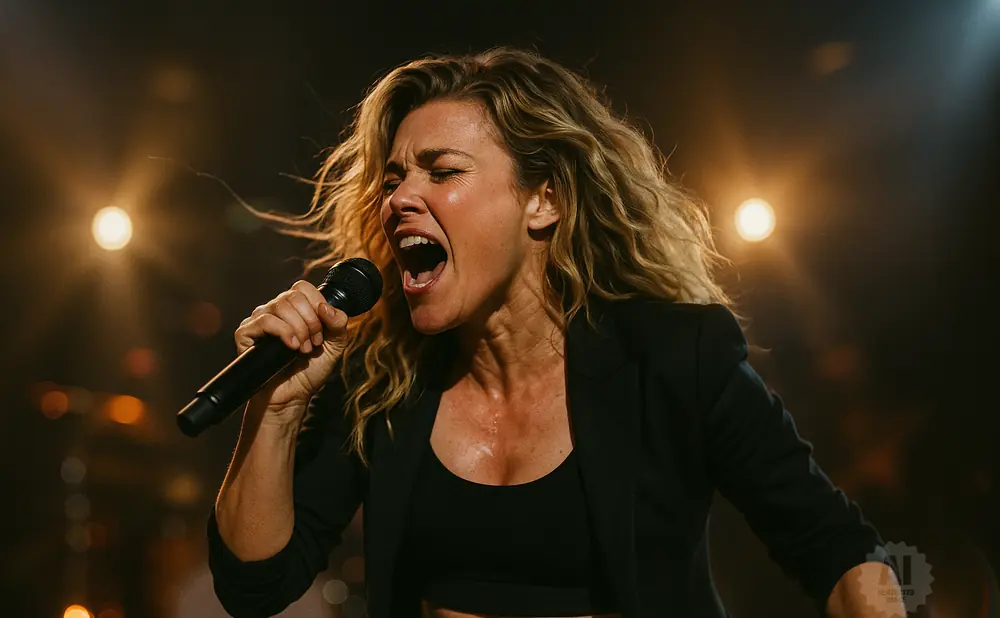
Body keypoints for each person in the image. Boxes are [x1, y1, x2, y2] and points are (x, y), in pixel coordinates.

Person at [206, 47, 904, 618]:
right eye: (392, 181)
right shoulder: (384, 378)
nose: (399, 200)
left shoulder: (669, 358)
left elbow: (841, 554)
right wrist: (277, 406)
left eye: (442, 172)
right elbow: (254, 586)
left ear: (544, 200)